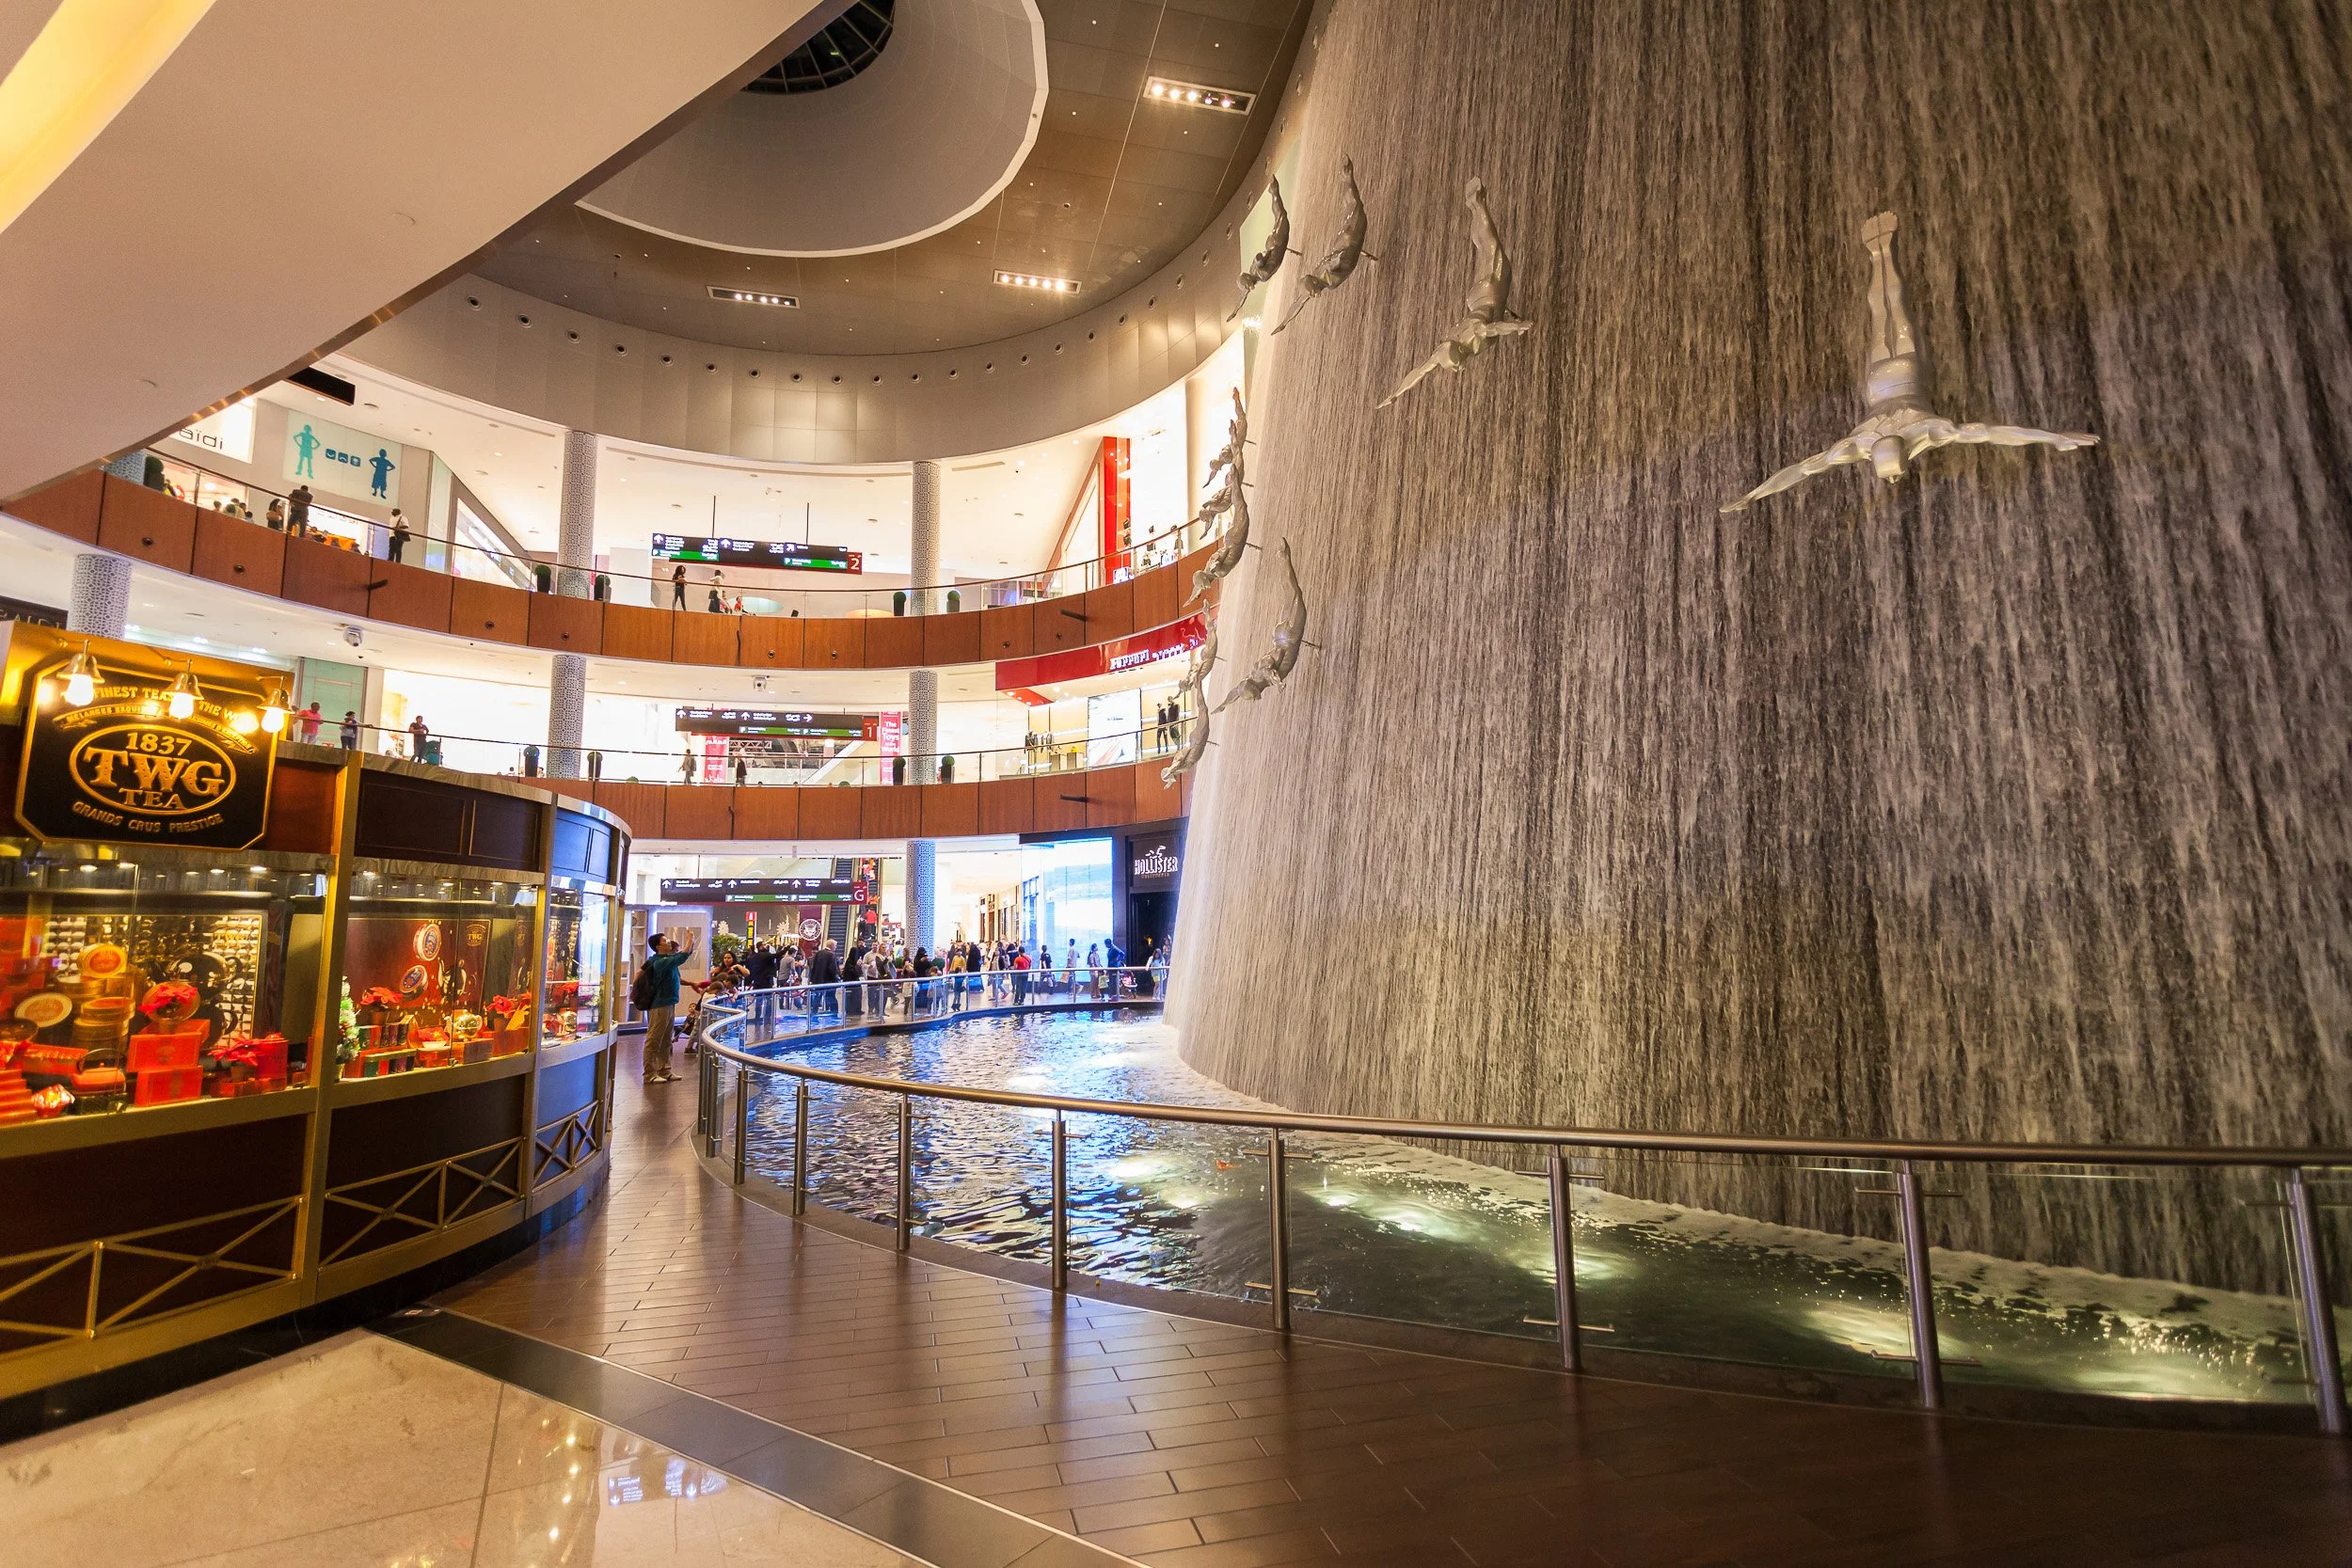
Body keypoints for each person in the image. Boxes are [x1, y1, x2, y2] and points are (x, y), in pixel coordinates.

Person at [634, 930, 695, 1085]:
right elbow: (683, 955)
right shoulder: (660, 962)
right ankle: (649, 1073)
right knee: (654, 1039)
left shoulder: (665, 960)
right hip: (659, 1004)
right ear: (657, 946)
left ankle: (665, 1070)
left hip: (669, 1003)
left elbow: (678, 975)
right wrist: (690, 939)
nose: (668, 942)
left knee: (667, 1038)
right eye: (665, 940)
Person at [808, 938, 841, 1022]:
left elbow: (813, 967)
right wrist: (836, 978)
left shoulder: (819, 953)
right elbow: (832, 969)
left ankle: (814, 1014)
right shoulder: (831, 955)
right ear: (832, 946)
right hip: (829, 982)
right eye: (836, 946)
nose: (836, 948)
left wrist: (813, 979)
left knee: (817, 997)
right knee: (832, 997)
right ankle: (834, 1014)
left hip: (818, 981)